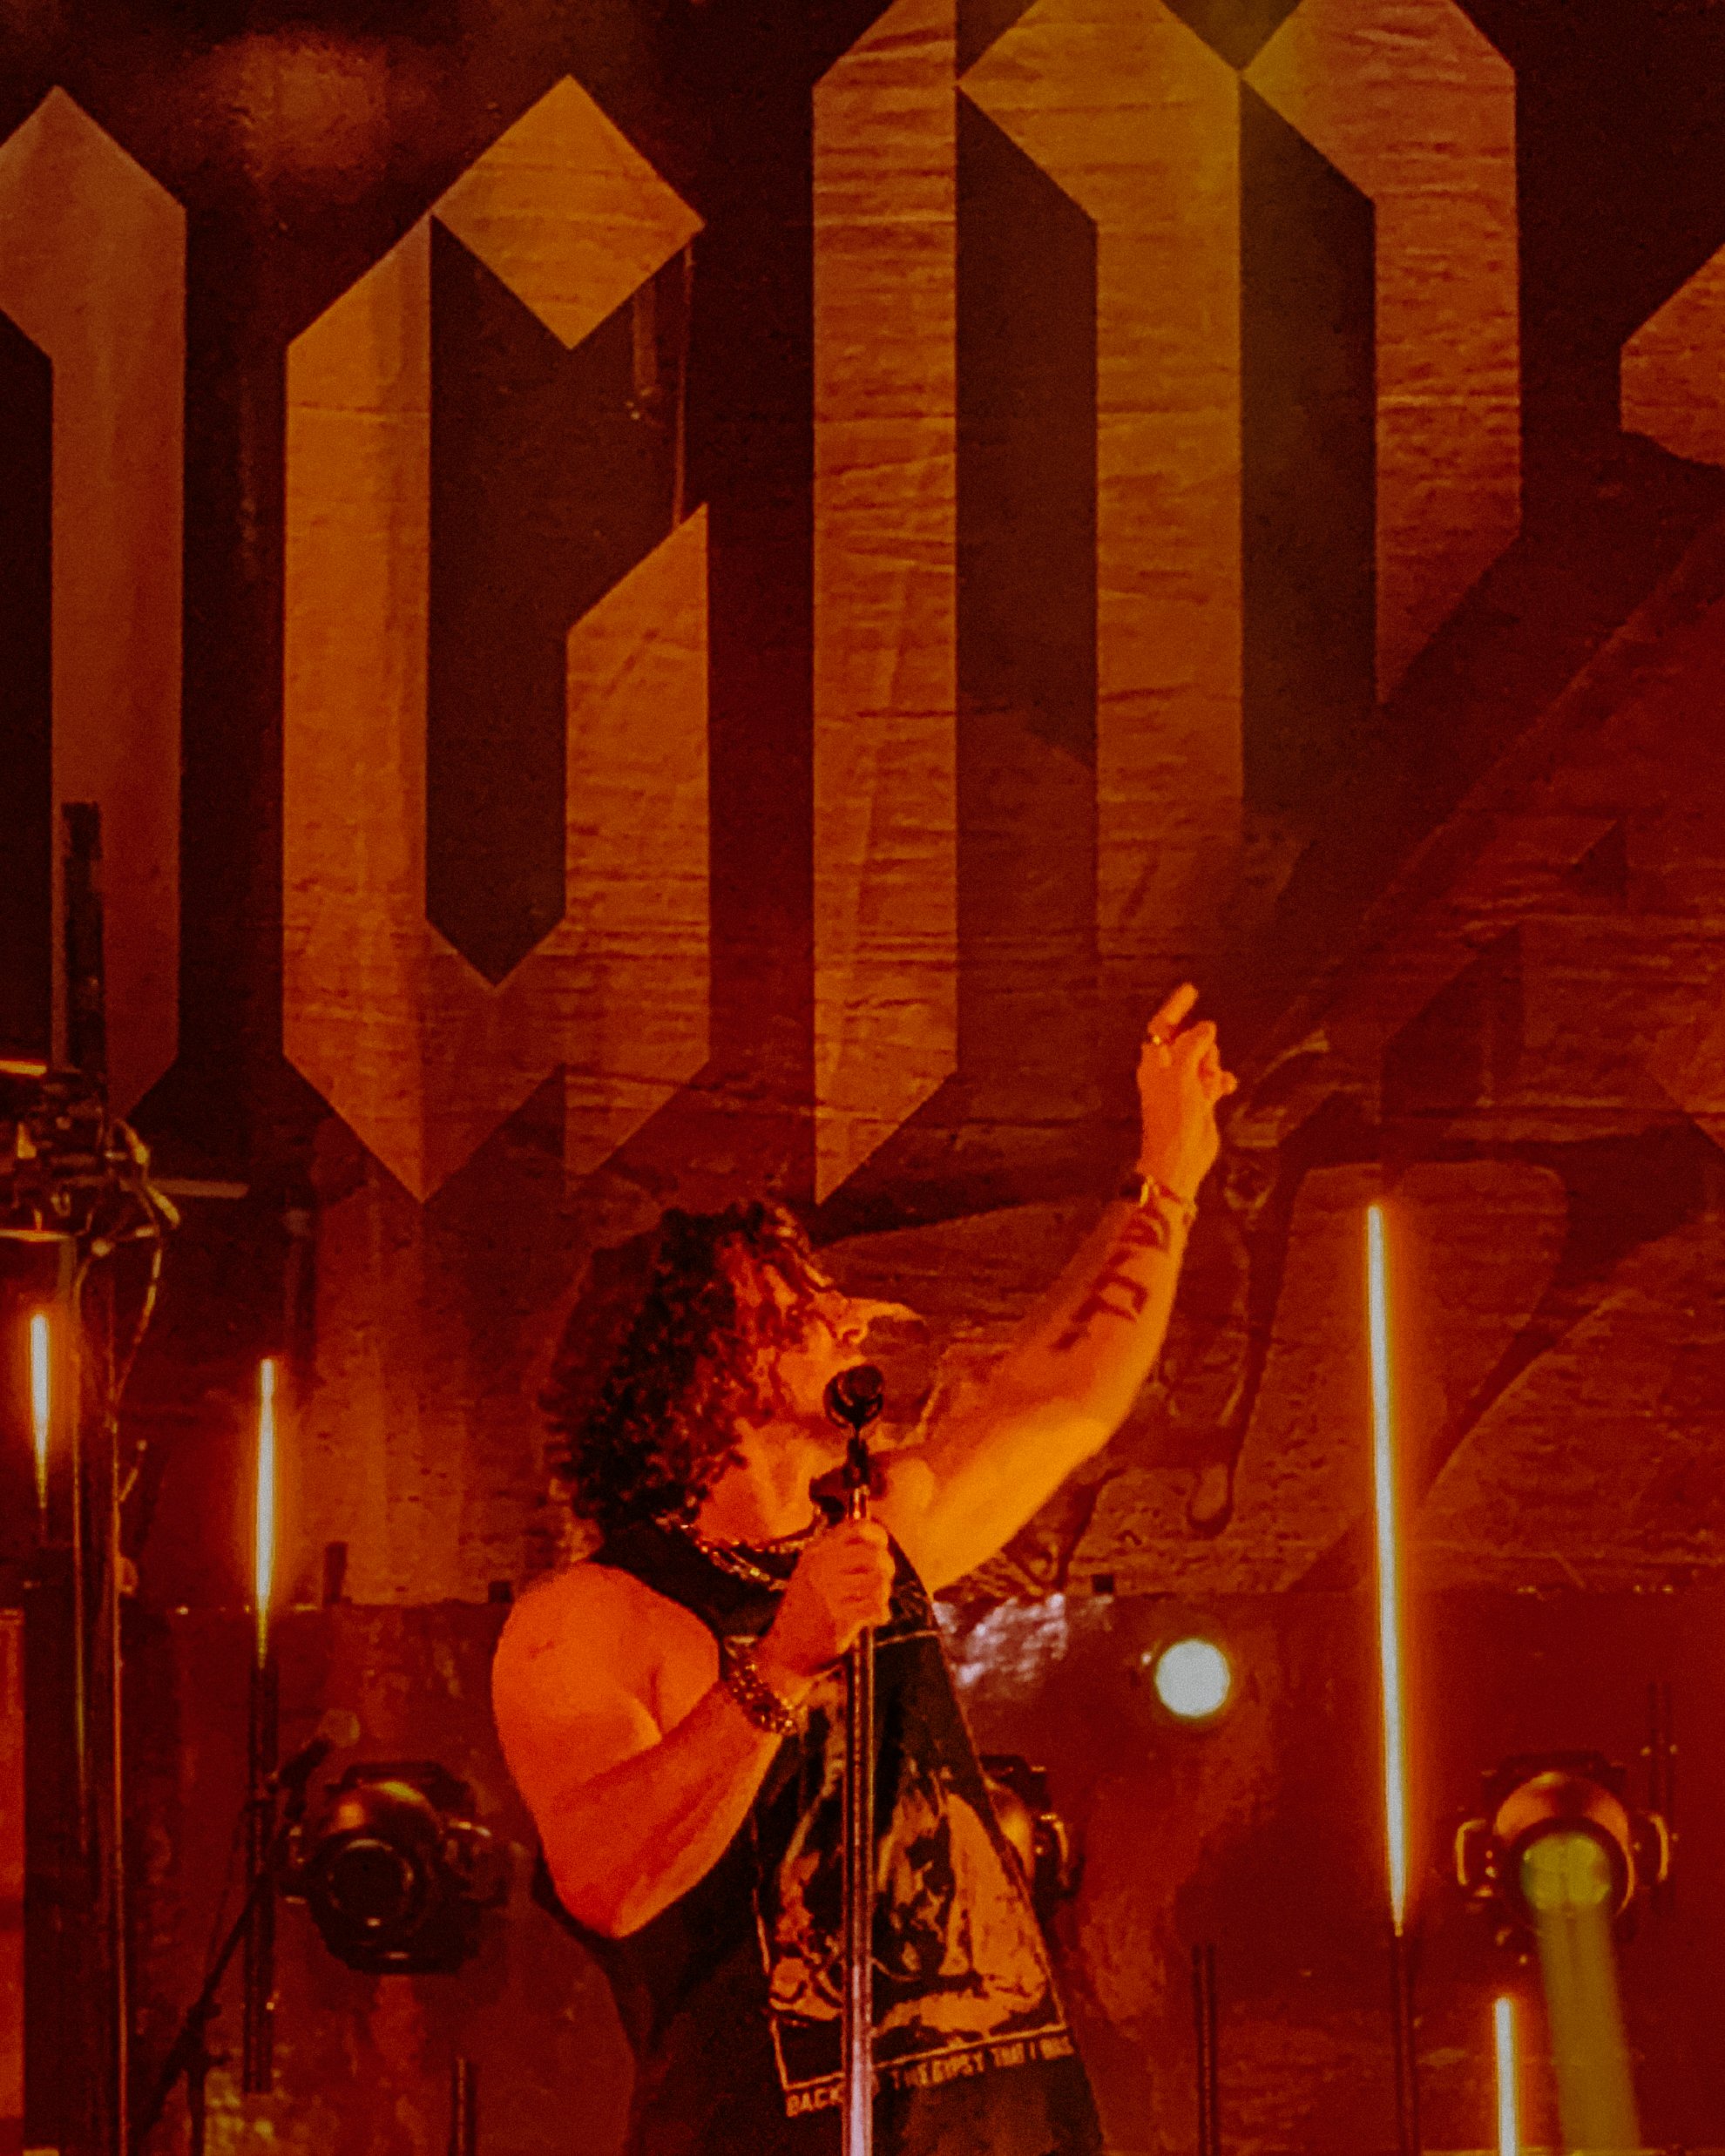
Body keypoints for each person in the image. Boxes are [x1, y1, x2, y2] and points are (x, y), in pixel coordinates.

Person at [491, 986, 1235, 2155]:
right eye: (796, 1301)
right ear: (699, 1362)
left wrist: (1168, 1181)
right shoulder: (589, 1618)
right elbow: (606, 1882)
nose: (849, 1316)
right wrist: (781, 1667)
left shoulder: (878, 1535)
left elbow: (1064, 1399)